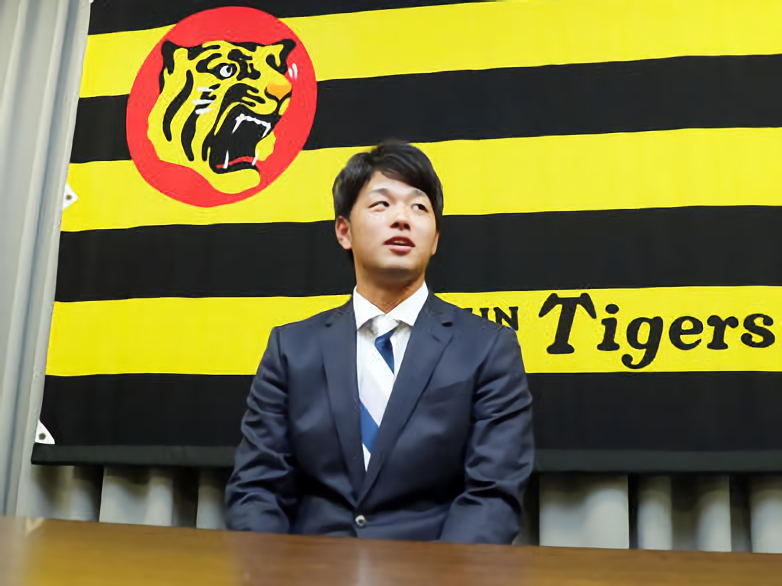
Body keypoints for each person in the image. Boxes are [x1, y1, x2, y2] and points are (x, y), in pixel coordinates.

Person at [224, 141, 534, 543]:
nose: (402, 219)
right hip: (310, 565)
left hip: (434, 567)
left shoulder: (487, 349)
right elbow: (257, 488)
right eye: (381, 205)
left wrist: (443, 573)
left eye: (418, 207)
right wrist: (279, 571)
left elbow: (492, 496)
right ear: (344, 231)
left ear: (435, 239)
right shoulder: (291, 348)